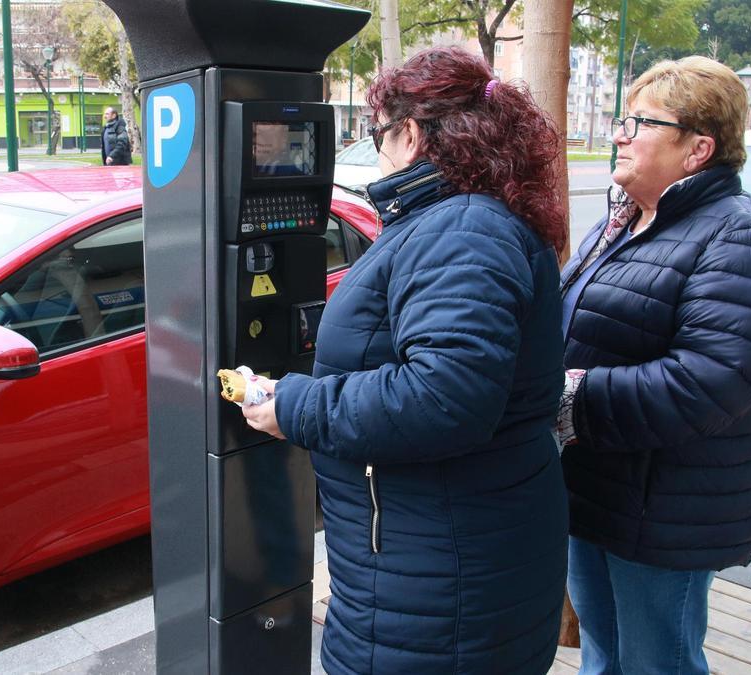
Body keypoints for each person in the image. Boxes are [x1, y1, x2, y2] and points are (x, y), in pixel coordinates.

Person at [241, 46, 570, 674]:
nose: (379, 151)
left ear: (412, 133)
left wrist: (296, 404)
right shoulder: (470, 219)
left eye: (379, 134)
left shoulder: (461, 229)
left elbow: (445, 397)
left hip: (437, 586)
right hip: (458, 562)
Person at [557, 56, 751, 675]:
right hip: (600, 490)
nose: (620, 133)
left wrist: (564, 398)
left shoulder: (741, 238)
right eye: (623, 119)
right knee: (606, 650)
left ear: (698, 149)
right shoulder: (627, 220)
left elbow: (709, 383)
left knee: (657, 661)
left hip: (664, 511)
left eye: (640, 122)